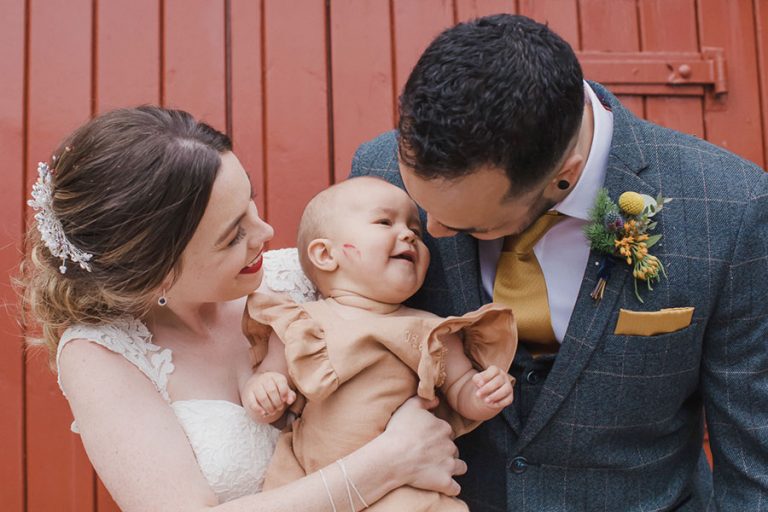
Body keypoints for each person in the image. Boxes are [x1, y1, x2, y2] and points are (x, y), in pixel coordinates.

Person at [350, 13, 768, 511]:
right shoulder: (376, 172)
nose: (431, 230)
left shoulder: (730, 208)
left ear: (564, 177)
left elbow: (755, 464)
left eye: (470, 226)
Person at [18, 106, 467, 512]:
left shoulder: (302, 278)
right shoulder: (100, 355)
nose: (266, 231)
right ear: (157, 274)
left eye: (250, 202)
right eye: (233, 235)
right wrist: (390, 460)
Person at [239, 177, 517, 511]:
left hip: (405, 493)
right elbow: (266, 381)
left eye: (415, 230)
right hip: (310, 478)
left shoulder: (431, 330)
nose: (409, 235)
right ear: (325, 254)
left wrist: (483, 394)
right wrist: (264, 392)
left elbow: (461, 390)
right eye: (385, 222)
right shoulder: (302, 323)